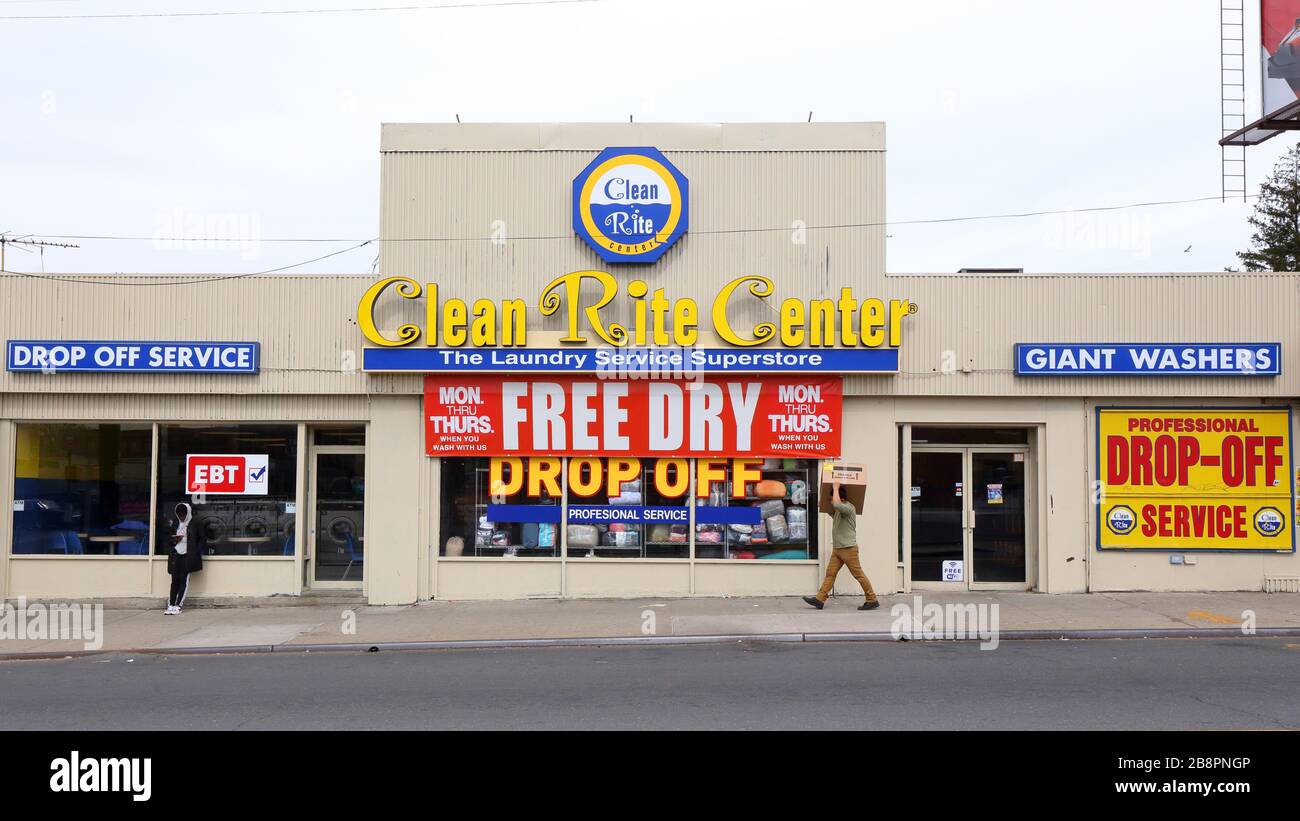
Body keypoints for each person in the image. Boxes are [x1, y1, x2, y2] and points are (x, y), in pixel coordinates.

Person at [803, 480, 879, 610]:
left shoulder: (848, 507)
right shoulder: (839, 510)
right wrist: (823, 506)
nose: (831, 501)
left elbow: (837, 505)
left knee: (858, 574)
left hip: (848, 548)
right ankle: (820, 599)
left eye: (832, 498)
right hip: (838, 549)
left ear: (841, 497)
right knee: (830, 573)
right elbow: (834, 512)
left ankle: (872, 599)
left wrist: (835, 487)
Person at [165, 503, 204, 615]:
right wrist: (173, 541)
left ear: (188, 512)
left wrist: (196, 551)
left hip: (188, 555)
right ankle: (171, 604)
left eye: (183, 513)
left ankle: (178, 605)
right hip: (176, 554)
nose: (181, 516)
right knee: (174, 580)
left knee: (183, 580)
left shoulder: (195, 522)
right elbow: (167, 538)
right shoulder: (175, 523)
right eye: (179, 514)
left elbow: (202, 539)